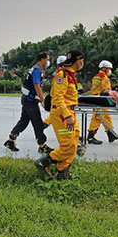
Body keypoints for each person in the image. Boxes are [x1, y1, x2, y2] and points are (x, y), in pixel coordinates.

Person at [35, 50, 84, 180]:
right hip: (63, 114)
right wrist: (67, 116)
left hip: (69, 112)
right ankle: (44, 162)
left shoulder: (71, 74)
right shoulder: (62, 75)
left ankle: (62, 170)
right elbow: (58, 98)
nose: (83, 62)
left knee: (74, 143)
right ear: (77, 61)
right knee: (68, 146)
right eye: (81, 59)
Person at [4, 52, 52, 153]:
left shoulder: (34, 68)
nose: (48, 62)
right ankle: (42, 146)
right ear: (42, 59)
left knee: (24, 121)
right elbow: (36, 85)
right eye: (47, 59)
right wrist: (43, 100)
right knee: (38, 123)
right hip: (30, 101)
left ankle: (10, 141)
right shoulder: (37, 70)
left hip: (27, 99)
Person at [86, 60, 116, 144]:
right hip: (101, 99)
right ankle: (91, 137)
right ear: (104, 68)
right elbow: (106, 90)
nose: (110, 70)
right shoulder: (104, 78)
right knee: (98, 117)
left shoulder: (96, 76)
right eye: (109, 69)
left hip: (96, 98)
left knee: (104, 116)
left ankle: (111, 134)